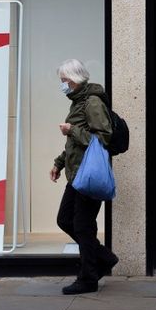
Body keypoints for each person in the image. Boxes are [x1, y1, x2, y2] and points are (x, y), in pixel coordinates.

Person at [50, 58, 119, 295]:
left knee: (82, 226)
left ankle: (88, 277)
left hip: (89, 175)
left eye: (65, 81)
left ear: (76, 80)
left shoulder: (92, 102)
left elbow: (103, 139)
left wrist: (72, 130)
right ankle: (103, 258)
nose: (63, 85)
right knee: (65, 220)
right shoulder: (77, 101)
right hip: (76, 173)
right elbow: (75, 144)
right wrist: (59, 163)